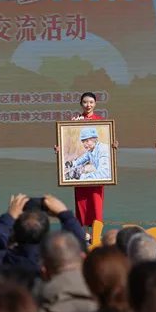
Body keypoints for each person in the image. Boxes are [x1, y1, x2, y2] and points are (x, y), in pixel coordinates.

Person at [55, 92, 118, 242]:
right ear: (81, 104)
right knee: (81, 202)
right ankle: (85, 232)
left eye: (91, 102)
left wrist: (113, 146)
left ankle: (96, 233)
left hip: (97, 178)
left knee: (96, 202)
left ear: (95, 104)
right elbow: (82, 158)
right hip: (83, 180)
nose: (88, 105)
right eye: (85, 102)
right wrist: (63, 154)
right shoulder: (74, 121)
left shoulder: (101, 122)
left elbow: (103, 167)